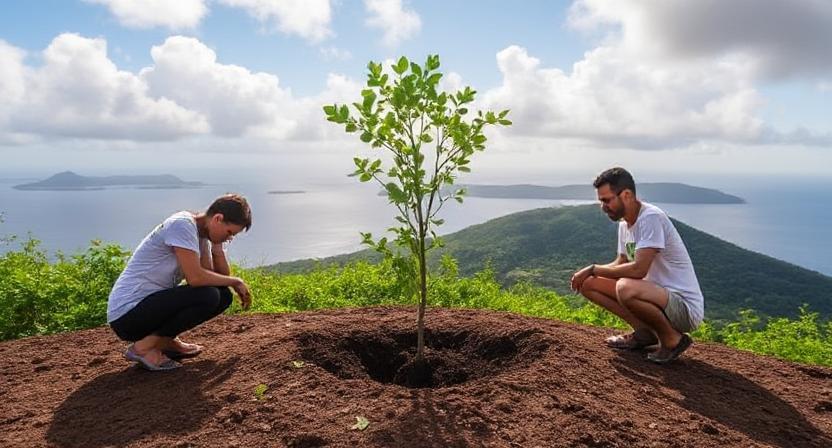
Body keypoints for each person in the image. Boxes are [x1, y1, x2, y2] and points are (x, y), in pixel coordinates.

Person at [570, 168, 704, 364]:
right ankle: (644, 334)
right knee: (589, 283)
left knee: (625, 287)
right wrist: (589, 274)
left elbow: (638, 270)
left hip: (683, 307)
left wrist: (592, 268)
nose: (603, 207)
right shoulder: (625, 225)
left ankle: (672, 339)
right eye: (601, 201)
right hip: (655, 297)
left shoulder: (650, 218)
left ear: (626, 195)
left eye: (606, 200)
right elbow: (621, 263)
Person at [107, 193, 253, 371]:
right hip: (127, 314)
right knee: (207, 295)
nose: (230, 238)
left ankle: (164, 341)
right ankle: (143, 348)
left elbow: (215, 278)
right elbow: (196, 278)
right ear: (218, 218)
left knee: (222, 296)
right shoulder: (182, 225)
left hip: (148, 309)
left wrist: (217, 247)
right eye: (229, 232)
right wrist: (236, 281)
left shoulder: (200, 234)